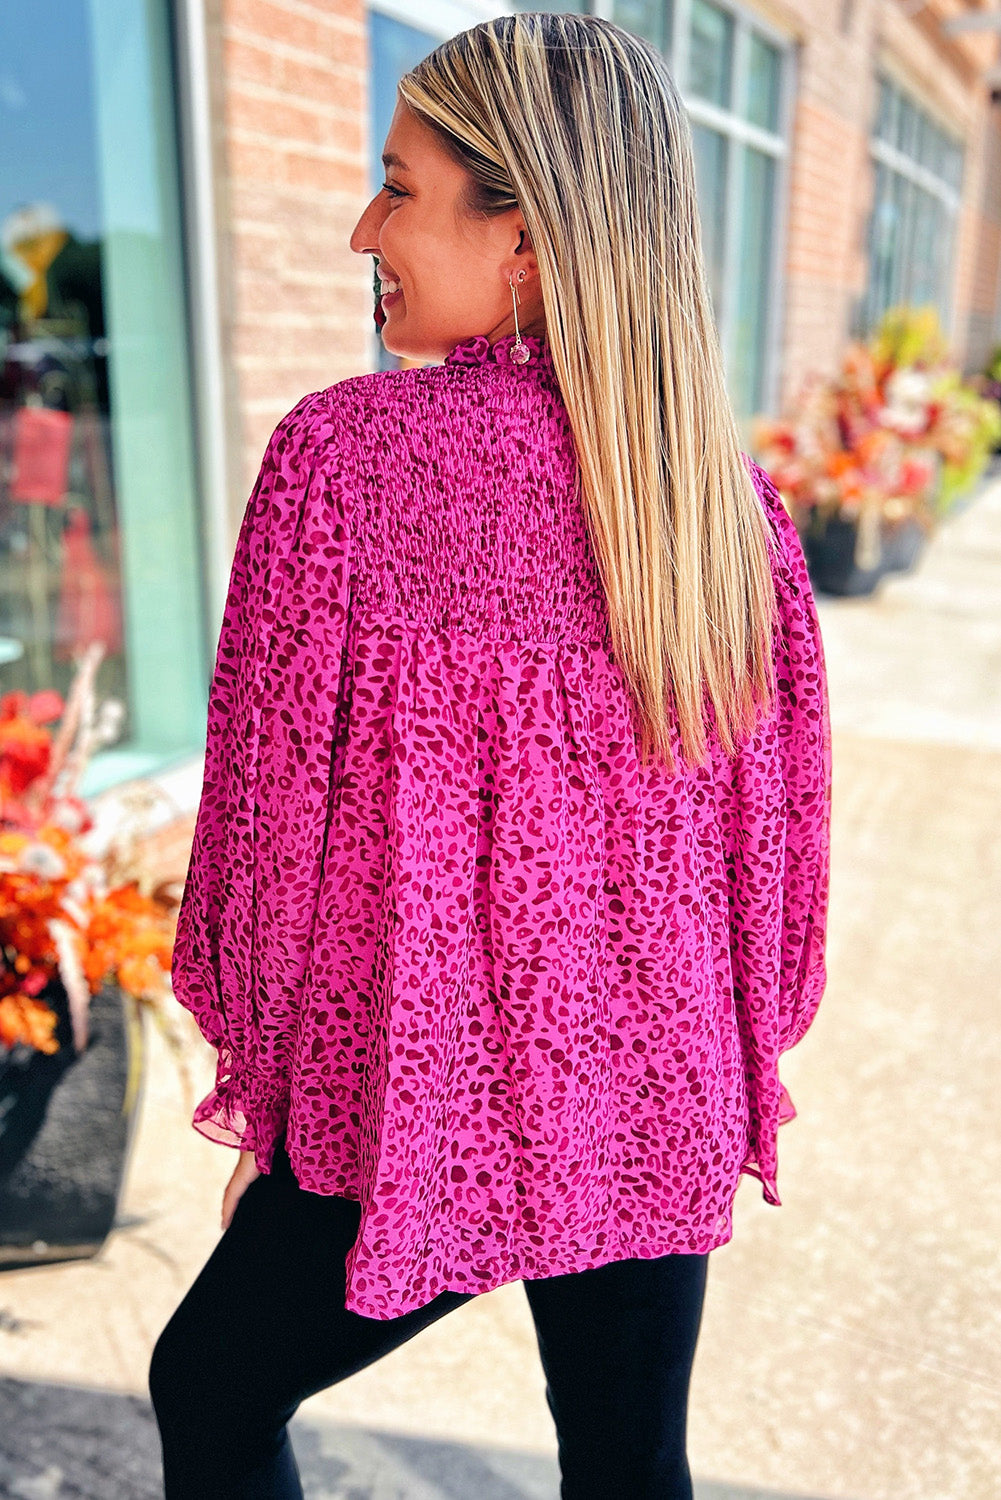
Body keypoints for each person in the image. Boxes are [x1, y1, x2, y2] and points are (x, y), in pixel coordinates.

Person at [148, 13, 831, 1499]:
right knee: (629, 1462)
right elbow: (775, 868)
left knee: (206, 1388)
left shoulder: (341, 463)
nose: (362, 230)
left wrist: (275, 1096)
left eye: (398, 188)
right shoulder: (728, 511)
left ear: (524, 235)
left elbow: (272, 842)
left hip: (416, 1085)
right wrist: (717, 1062)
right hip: (654, 1088)